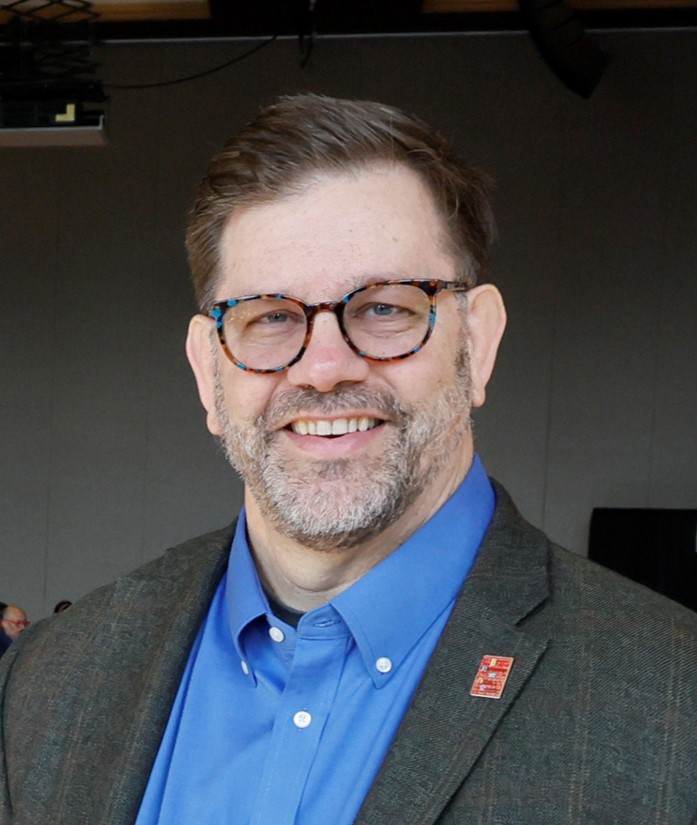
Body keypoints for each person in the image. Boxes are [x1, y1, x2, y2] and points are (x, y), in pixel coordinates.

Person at [1, 94, 697, 825]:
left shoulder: (670, 703)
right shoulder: (51, 679)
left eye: (386, 307)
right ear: (208, 371)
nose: (324, 368)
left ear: (478, 342)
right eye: (270, 317)